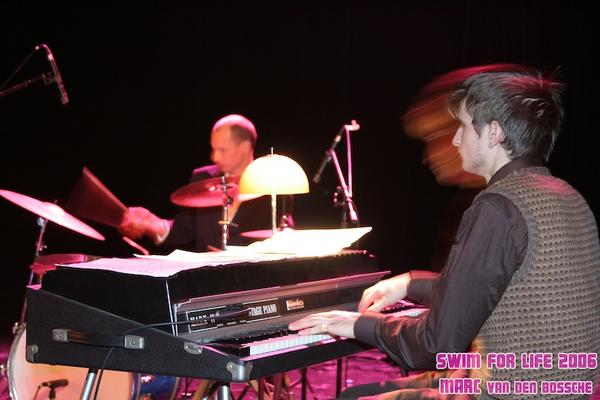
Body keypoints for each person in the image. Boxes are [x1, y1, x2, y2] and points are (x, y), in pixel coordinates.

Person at [289, 67, 600, 399]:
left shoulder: (498, 206)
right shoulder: (567, 194)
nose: (455, 139)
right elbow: (486, 288)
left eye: (463, 126)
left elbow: (434, 345)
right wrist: (409, 283)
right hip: (567, 387)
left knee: (352, 397)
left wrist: (353, 323)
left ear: (494, 133)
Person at [120, 114, 271, 251]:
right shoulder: (203, 178)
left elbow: (281, 239)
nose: (214, 157)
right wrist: (152, 223)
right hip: (205, 272)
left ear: (244, 147)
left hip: (252, 273)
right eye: (213, 148)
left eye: (222, 150)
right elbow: (184, 230)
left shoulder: (272, 182)